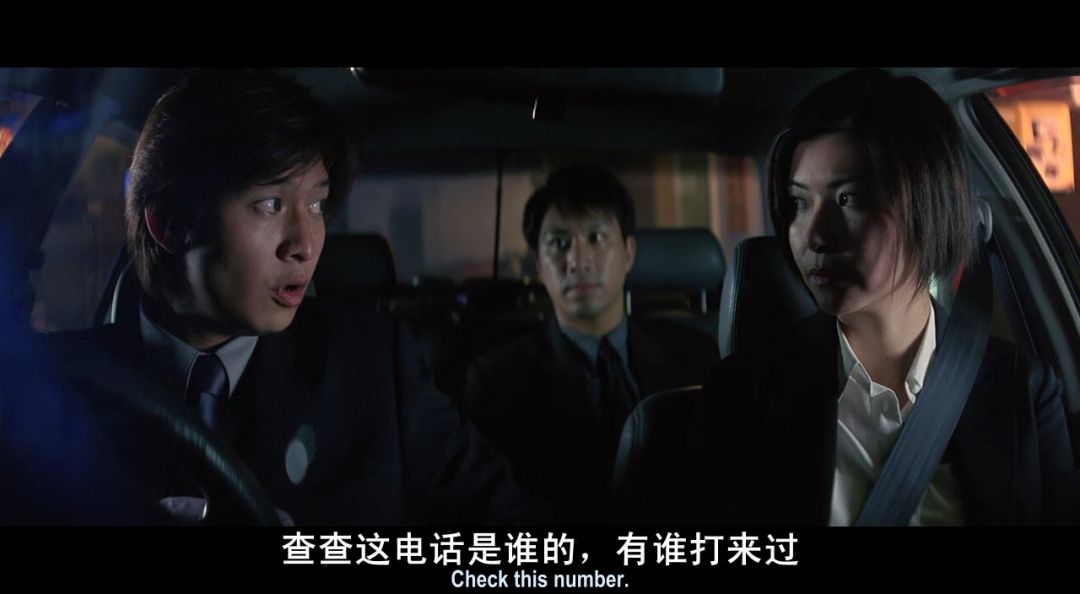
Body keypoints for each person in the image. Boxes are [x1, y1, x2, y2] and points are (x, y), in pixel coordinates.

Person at [35, 69, 528, 525]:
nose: (305, 244)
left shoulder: (372, 365)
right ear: (169, 224)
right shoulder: (61, 386)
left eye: (316, 204)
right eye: (270, 204)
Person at [616, 69, 1078, 525]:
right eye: (799, 204)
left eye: (850, 199)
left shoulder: (1021, 391)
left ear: (928, 206)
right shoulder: (743, 397)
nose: (814, 236)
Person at [462, 165, 718, 523]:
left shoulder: (695, 356)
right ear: (539, 264)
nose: (578, 261)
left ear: (629, 253)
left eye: (596, 238)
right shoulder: (497, 381)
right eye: (559, 243)